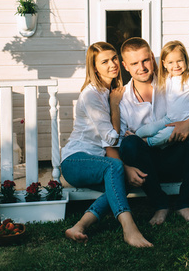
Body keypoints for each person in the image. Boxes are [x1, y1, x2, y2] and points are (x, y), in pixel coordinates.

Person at [114, 37, 189, 225]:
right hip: (147, 167)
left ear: (153, 60)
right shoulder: (122, 99)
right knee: (130, 144)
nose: (142, 67)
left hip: (179, 157)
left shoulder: (177, 81)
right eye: (134, 63)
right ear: (125, 66)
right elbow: (119, 142)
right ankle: (160, 204)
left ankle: (185, 203)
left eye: (145, 60)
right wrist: (126, 168)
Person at [61, 42, 152, 248]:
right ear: (94, 68)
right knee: (117, 168)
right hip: (76, 161)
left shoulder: (109, 90)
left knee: (123, 181)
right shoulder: (92, 94)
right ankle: (129, 228)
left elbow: (116, 135)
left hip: (98, 163)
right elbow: (111, 138)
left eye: (113, 59)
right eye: (105, 61)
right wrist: (114, 106)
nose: (112, 64)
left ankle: (79, 226)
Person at [134, 41, 189, 147]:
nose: (176, 65)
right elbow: (156, 71)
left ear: (185, 60)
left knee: (165, 135)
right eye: (171, 62)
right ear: (164, 64)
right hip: (169, 118)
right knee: (149, 129)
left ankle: (147, 142)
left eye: (179, 61)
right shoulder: (167, 79)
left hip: (183, 120)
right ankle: (134, 137)